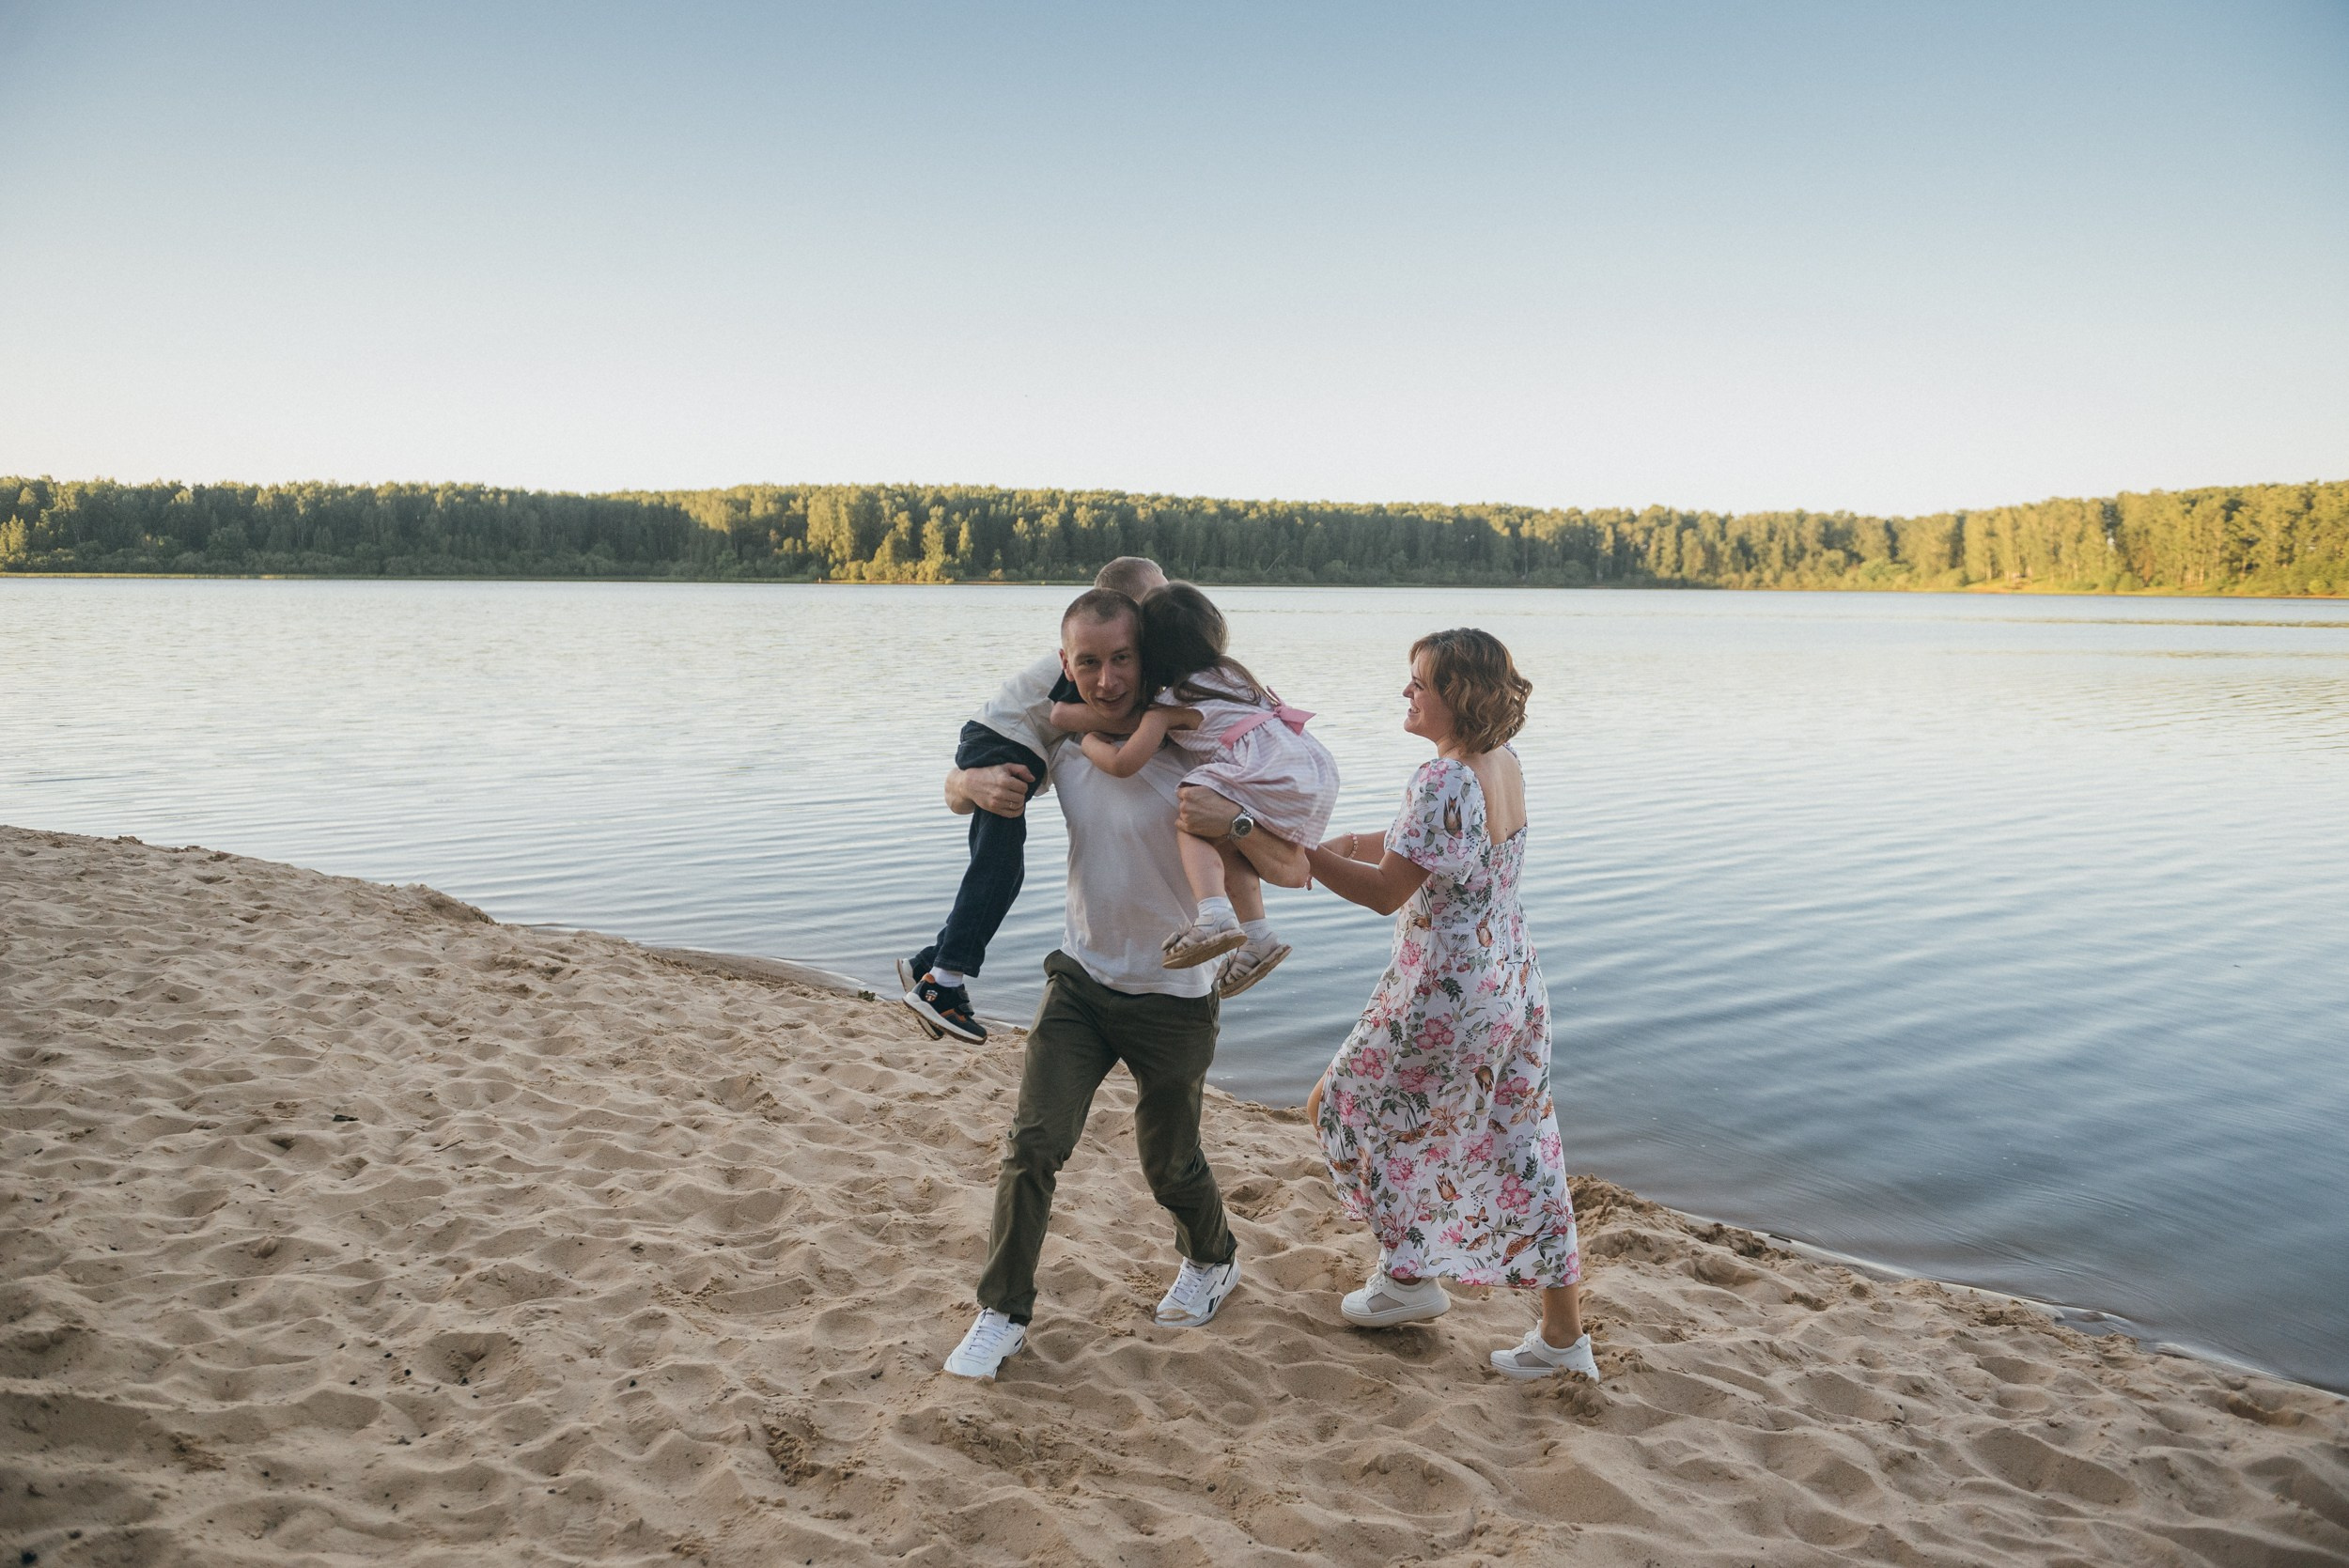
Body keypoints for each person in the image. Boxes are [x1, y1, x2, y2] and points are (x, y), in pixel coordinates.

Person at [1179, 629, 1596, 1381]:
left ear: (1458, 695)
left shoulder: (1438, 780)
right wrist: (1337, 840)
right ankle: (1563, 1340)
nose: (1407, 693)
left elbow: (1384, 892)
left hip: (1441, 993)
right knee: (1524, 1147)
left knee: (1336, 1106)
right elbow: (1423, 843)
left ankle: (1409, 1277)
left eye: (1420, 683)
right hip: (1512, 984)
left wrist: (1288, 851)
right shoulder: (1500, 765)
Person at [942, 586, 1242, 1381]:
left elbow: (1278, 832)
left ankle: (1213, 1255)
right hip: (1080, 980)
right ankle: (1000, 1311)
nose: (1106, 680)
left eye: (1121, 660)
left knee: (1169, 1163)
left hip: (1176, 992)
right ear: (1064, 662)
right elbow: (963, 779)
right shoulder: (1061, 734)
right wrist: (969, 787)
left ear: (1145, 655)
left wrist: (1236, 826)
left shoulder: (1192, 733)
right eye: (1087, 663)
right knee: (1032, 1144)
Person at [899, 556, 1168, 1043]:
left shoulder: (1117, 659)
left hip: (999, 739)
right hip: (1000, 743)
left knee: (1005, 869)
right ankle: (943, 982)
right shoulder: (1089, 653)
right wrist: (1166, 722)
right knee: (998, 868)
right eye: (1157, 599)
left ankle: (929, 963)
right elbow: (1066, 715)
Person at [1065, 582, 1332, 999]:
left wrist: (1086, 740)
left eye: (1124, 656)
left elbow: (1122, 763)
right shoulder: (1234, 676)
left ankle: (1213, 914)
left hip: (1266, 773)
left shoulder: (1169, 705)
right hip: (1306, 768)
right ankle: (1258, 934)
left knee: (1192, 813)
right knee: (1222, 837)